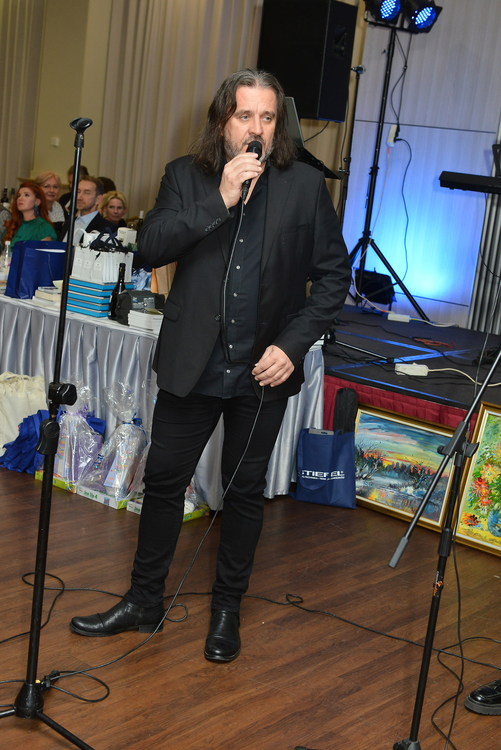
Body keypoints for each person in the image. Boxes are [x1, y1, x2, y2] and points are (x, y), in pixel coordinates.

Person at [70, 68, 351, 662]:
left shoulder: (305, 185)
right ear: (223, 122)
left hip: (264, 370)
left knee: (243, 492)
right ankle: (144, 601)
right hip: (193, 363)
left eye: (267, 117)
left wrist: (293, 346)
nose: (257, 128)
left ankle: (227, 610)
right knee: (163, 483)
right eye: (245, 115)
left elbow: (333, 279)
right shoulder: (184, 176)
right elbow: (151, 247)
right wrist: (221, 198)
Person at [58, 176, 112, 242]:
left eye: (87, 193)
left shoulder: (107, 228)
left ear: (98, 199)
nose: (79, 197)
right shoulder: (69, 222)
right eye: (78, 192)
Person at [2, 182, 57, 247]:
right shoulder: (13, 224)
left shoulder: (44, 228)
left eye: (26, 195)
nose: (20, 198)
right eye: (19, 195)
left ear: (37, 202)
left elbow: (43, 252)